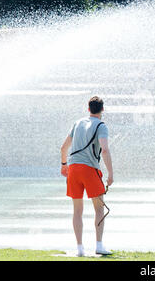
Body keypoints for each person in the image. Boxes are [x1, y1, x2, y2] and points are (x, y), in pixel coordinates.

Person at [60, 96, 114, 256]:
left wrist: (64, 165)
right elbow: (104, 149)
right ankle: (99, 245)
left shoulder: (77, 123)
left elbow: (63, 148)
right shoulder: (102, 126)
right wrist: (110, 173)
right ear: (102, 109)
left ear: (88, 109)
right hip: (90, 169)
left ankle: (79, 249)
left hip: (73, 169)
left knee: (77, 211)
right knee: (99, 209)